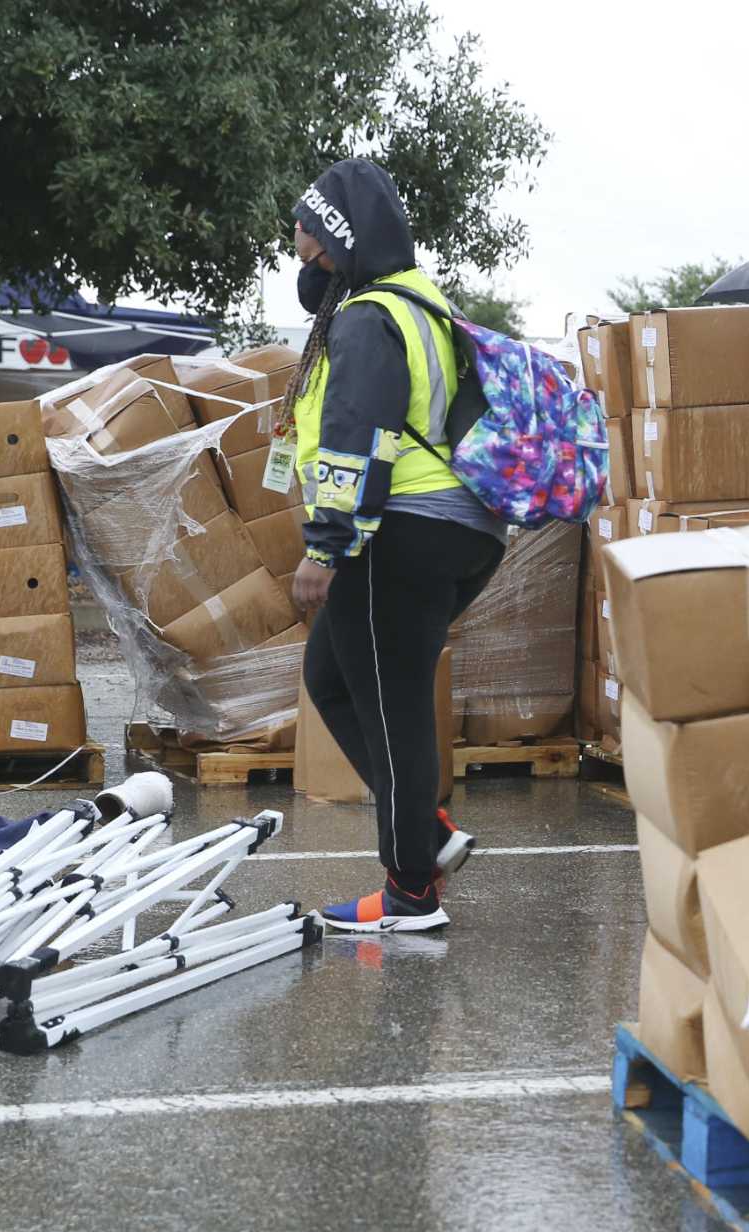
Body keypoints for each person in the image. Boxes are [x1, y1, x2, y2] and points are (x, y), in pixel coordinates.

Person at [286, 158, 509, 933]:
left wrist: (325, 548)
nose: (299, 253)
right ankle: (427, 835)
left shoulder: (366, 318)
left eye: (306, 238)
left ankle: (411, 889)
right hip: (460, 528)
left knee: (395, 706)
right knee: (332, 678)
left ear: (339, 239)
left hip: (402, 532)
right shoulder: (423, 305)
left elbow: (359, 438)